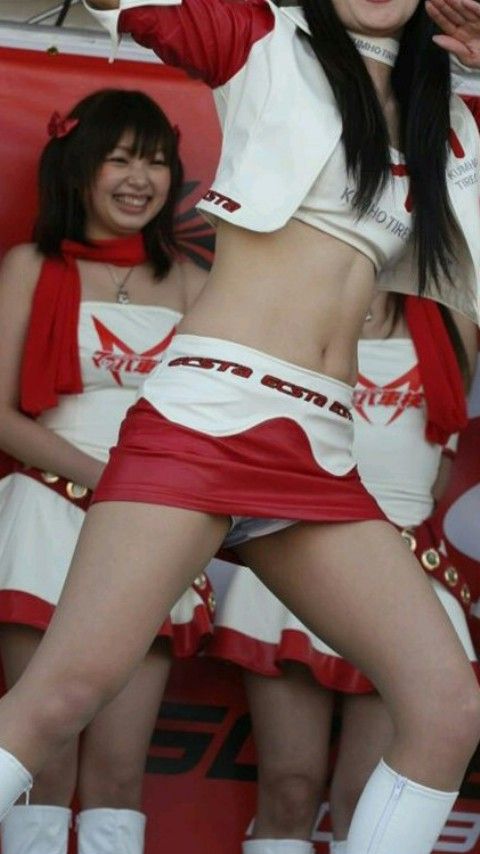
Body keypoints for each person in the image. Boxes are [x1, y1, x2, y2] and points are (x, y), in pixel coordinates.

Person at [0, 1, 479, 853]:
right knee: (60, 697)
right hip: (209, 420)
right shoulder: (263, 38)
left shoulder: (447, 115)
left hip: (321, 453)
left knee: (448, 710)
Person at [0, 88, 211, 854]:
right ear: (79, 165)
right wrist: (107, 478)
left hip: (149, 533)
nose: (139, 179)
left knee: (120, 773)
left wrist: (148, 498)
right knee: (44, 763)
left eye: (155, 161)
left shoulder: (192, 280)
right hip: (47, 514)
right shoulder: (31, 266)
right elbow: (1, 415)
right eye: (120, 159)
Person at [208, 288, 479, 854]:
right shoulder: (297, 295)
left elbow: (437, 458)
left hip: (401, 564)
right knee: (288, 787)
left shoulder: (454, 316)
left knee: (366, 795)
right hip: (296, 549)